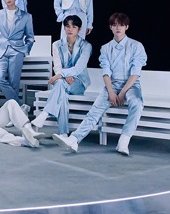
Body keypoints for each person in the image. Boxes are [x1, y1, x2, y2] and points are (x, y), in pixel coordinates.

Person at [53, 13, 147, 156]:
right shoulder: (106, 48)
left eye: (121, 25)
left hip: (131, 86)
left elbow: (135, 73)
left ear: (126, 27)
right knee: (94, 111)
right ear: (110, 27)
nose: (118, 28)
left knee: (137, 103)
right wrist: (111, 92)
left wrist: (122, 93)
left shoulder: (136, 46)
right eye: (114, 25)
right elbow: (106, 72)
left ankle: (124, 140)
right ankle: (74, 139)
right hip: (111, 85)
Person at [31, 15, 92, 136]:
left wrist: (60, 75)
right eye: (67, 26)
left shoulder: (86, 46)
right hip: (62, 82)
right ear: (64, 28)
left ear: (79, 29)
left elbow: (78, 68)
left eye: (74, 27)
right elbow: (57, 65)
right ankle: (63, 133)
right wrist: (63, 76)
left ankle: (45, 114)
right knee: (61, 92)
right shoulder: (57, 44)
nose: (70, 29)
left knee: (59, 82)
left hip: (79, 83)